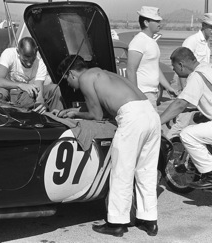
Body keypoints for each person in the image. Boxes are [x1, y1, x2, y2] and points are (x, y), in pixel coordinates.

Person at [55, 55, 160, 237]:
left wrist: (76, 115)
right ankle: (149, 220)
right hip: (150, 114)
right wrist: (77, 111)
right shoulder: (104, 74)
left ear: (71, 73)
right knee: (146, 170)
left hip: (131, 117)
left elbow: (96, 115)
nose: (71, 86)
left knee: (122, 171)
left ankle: (117, 223)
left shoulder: (85, 78)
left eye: (67, 81)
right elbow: (104, 107)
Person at [160, 47, 212, 189]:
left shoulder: (197, 76)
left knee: (187, 134)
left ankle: (210, 174)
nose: (174, 70)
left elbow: (180, 103)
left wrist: (158, 122)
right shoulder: (207, 68)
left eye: (174, 66)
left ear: (181, 64)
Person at [166, 13, 212, 139]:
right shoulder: (191, 41)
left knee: (191, 131)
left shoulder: (207, 44)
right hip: (190, 91)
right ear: (203, 26)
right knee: (182, 123)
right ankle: (168, 144)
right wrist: (185, 94)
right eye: (211, 28)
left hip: (199, 93)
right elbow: (182, 65)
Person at [0, 37, 64, 113]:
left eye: (32, 60)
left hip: (25, 96)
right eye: (25, 60)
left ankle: (56, 118)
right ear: (18, 52)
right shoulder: (9, 54)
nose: (29, 63)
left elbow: (39, 93)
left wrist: (40, 104)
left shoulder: (40, 62)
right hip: (8, 93)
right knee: (1, 92)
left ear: (36, 51)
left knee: (54, 88)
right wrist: (20, 85)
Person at [127, 6, 176, 109]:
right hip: (143, 94)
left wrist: (168, 87)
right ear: (146, 23)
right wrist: (136, 96)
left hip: (152, 93)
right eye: (156, 21)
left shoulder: (151, 41)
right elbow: (131, 70)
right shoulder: (139, 41)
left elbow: (155, 68)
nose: (160, 24)